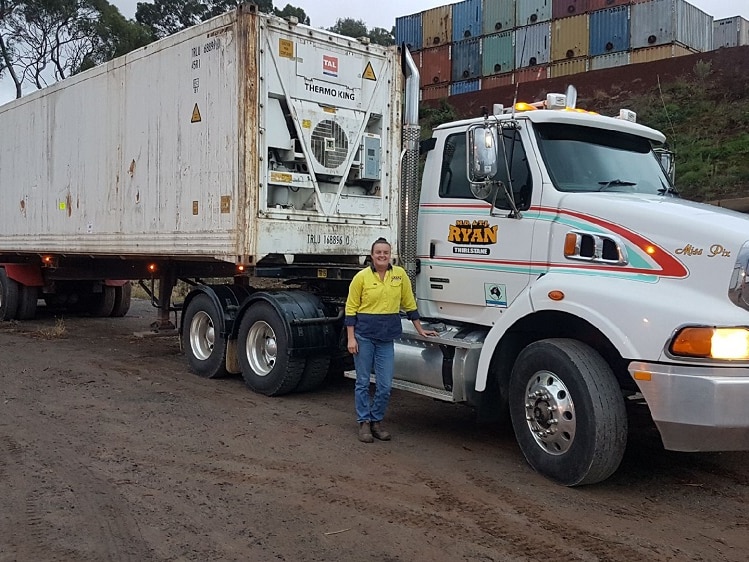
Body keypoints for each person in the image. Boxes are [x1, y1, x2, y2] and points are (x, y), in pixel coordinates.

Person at [345, 237, 438, 443]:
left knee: (385, 385)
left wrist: (420, 329)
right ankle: (364, 423)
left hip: (386, 338)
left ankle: (376, 421)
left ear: (390, 255)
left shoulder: (400, 275)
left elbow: (409, 303)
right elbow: (350, 309)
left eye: (385, 253)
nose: (382, 256)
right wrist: (351, 338)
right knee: (362, 382)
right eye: (378, 252)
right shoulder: (361, 278)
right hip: (364, 336)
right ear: (372, 255)